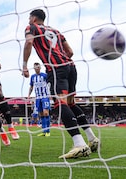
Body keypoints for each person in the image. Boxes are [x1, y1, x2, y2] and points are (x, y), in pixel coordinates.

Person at [22, 9, 99, 159]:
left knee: (60, 104)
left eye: (29, 17)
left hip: (56, 69)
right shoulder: (55, 31)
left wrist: (25, 66)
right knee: (70, 104)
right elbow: (70, 51)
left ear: (33, 18)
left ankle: (80, 144)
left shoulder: (31, 27)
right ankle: (92, 138)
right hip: (71, 67)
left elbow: (29, 42)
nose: (28, 20)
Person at [28, 63, 51, 136]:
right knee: (41, 114)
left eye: (38, 67)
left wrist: (50, 93)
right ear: (34, 68)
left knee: (46, 113)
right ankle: (44, 131)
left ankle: (48, 131)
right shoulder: (32, 77)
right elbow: (31, 86)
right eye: (35, 67)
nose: (37, 68)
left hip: (45, 96)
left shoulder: (45, 75)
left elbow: (50, 83)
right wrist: (29, 95)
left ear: (40, 68)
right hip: (37, 98)